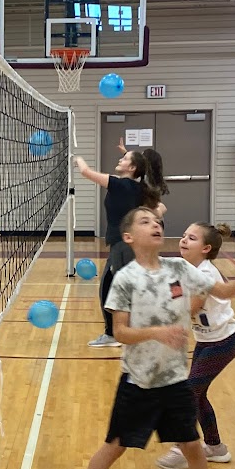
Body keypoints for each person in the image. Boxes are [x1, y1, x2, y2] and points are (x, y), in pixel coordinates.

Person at [55, 205, 235, 469]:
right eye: (144, 221)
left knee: (194, 448)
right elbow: (120, 332)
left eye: (156, 221)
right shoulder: (125, 279)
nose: (155, 224)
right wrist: (158, 332)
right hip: (139, 381)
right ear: (128, 237)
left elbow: (222, 292)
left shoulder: (178, 268)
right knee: (114, 448)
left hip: (173, 380)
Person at [156, 221, 235, 469]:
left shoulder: (206, 274)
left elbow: (191, 306)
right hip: (206, 341)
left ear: (205, 248)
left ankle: (181, 449)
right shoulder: (183, 267)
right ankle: (216, 448)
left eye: (191, 238)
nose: (183, 240)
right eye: (183, 235)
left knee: (189, 392)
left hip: (223, 342)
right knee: (198, 393)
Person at [74, 148, 145, 346]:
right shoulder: (134, 186)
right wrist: (127, 152)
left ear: (132, 167)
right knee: (122, 287)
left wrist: (77, 158)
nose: (120, 159)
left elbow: (86, 172)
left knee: (110, 288)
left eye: (124, 159)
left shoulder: (120, 185)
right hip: (126, 244)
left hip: (122, 245)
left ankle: (114, 334)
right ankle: (128, 331)